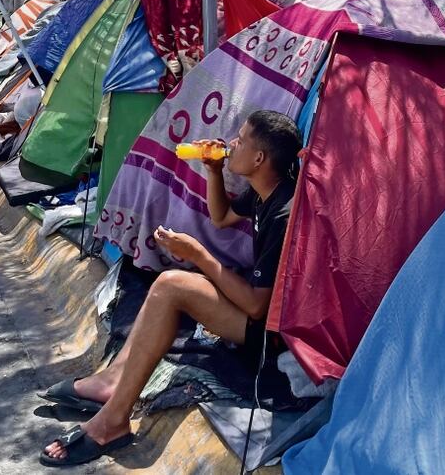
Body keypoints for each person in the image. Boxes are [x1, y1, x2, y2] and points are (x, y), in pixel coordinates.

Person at [38, 110, 303, 467]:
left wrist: (197, 253)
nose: (232, 143)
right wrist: (212, 170)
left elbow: (258, 307)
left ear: (259, 158)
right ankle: (114, 382)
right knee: (170, 284)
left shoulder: (284, 213)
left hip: (273, 336)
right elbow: (222, 217)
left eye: (241, 139)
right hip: (257, 312)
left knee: (172, 284)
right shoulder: (263, 193)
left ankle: (112, 420)